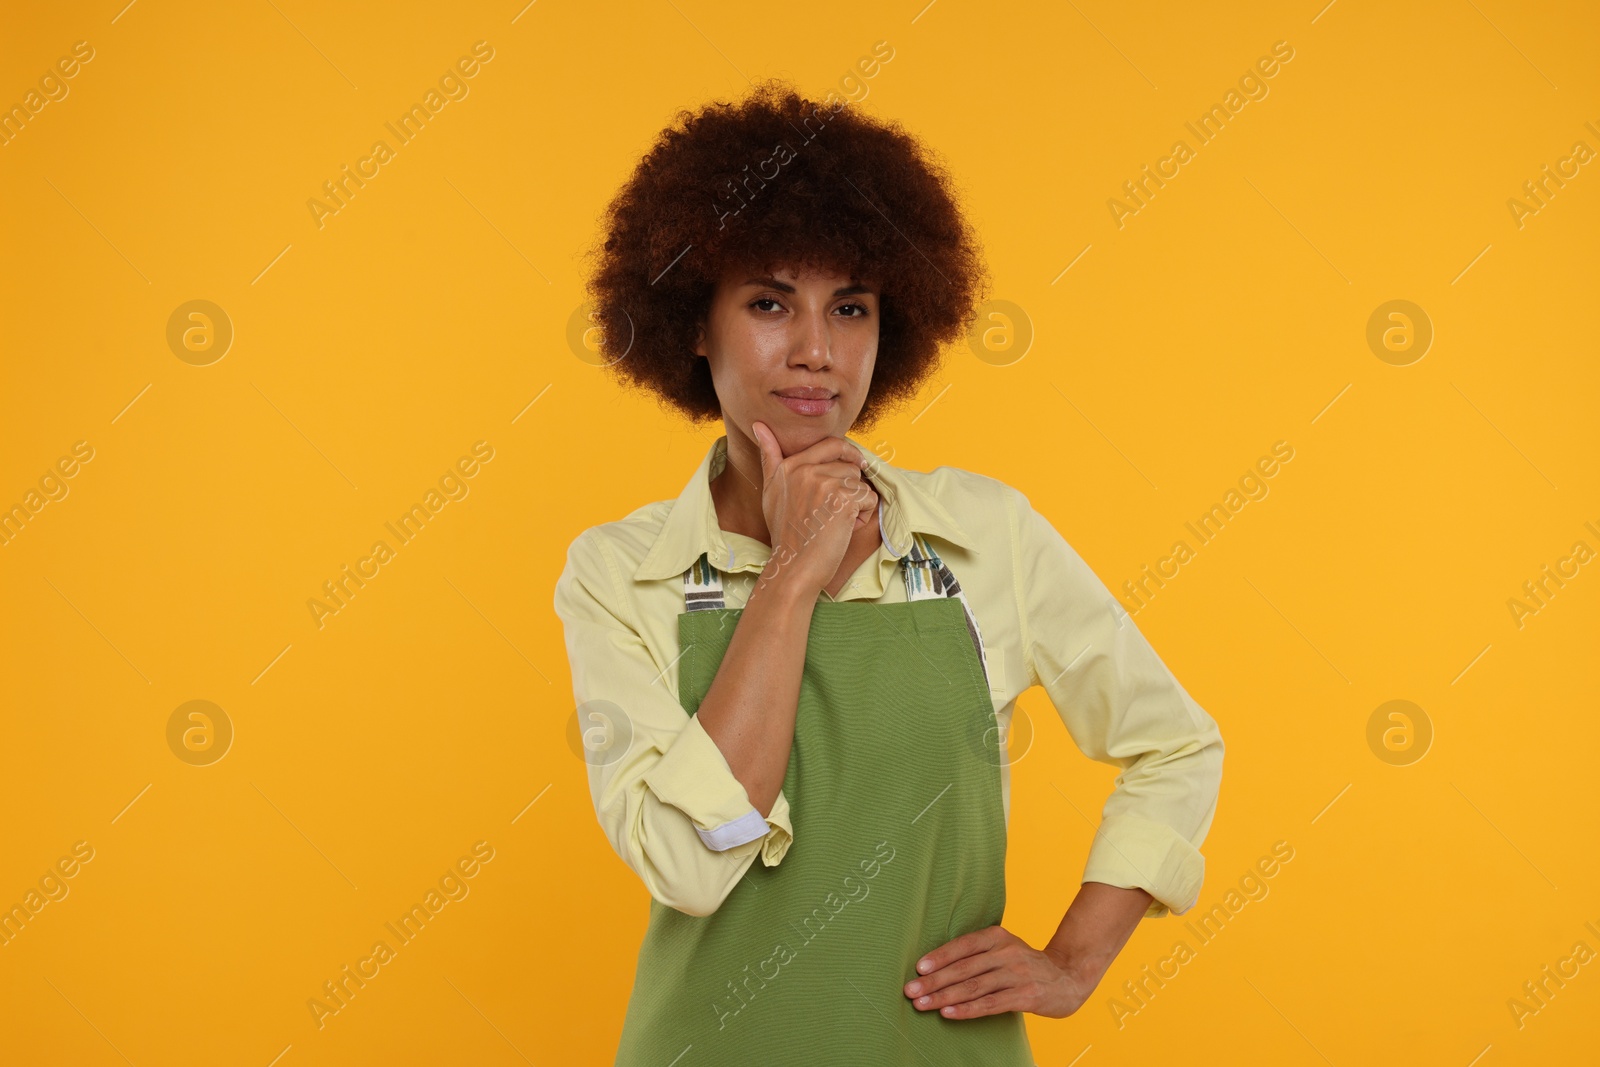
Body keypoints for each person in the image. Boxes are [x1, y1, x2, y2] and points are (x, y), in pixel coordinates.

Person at [554, 79, 1224, 1066]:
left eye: (851, 307)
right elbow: (691, 865)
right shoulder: (620, 572)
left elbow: (1176, 744)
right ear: (693, 323)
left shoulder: (986, 534)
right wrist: (789, 576)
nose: (817, 351)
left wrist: (1075, 958)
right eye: (770, 302)